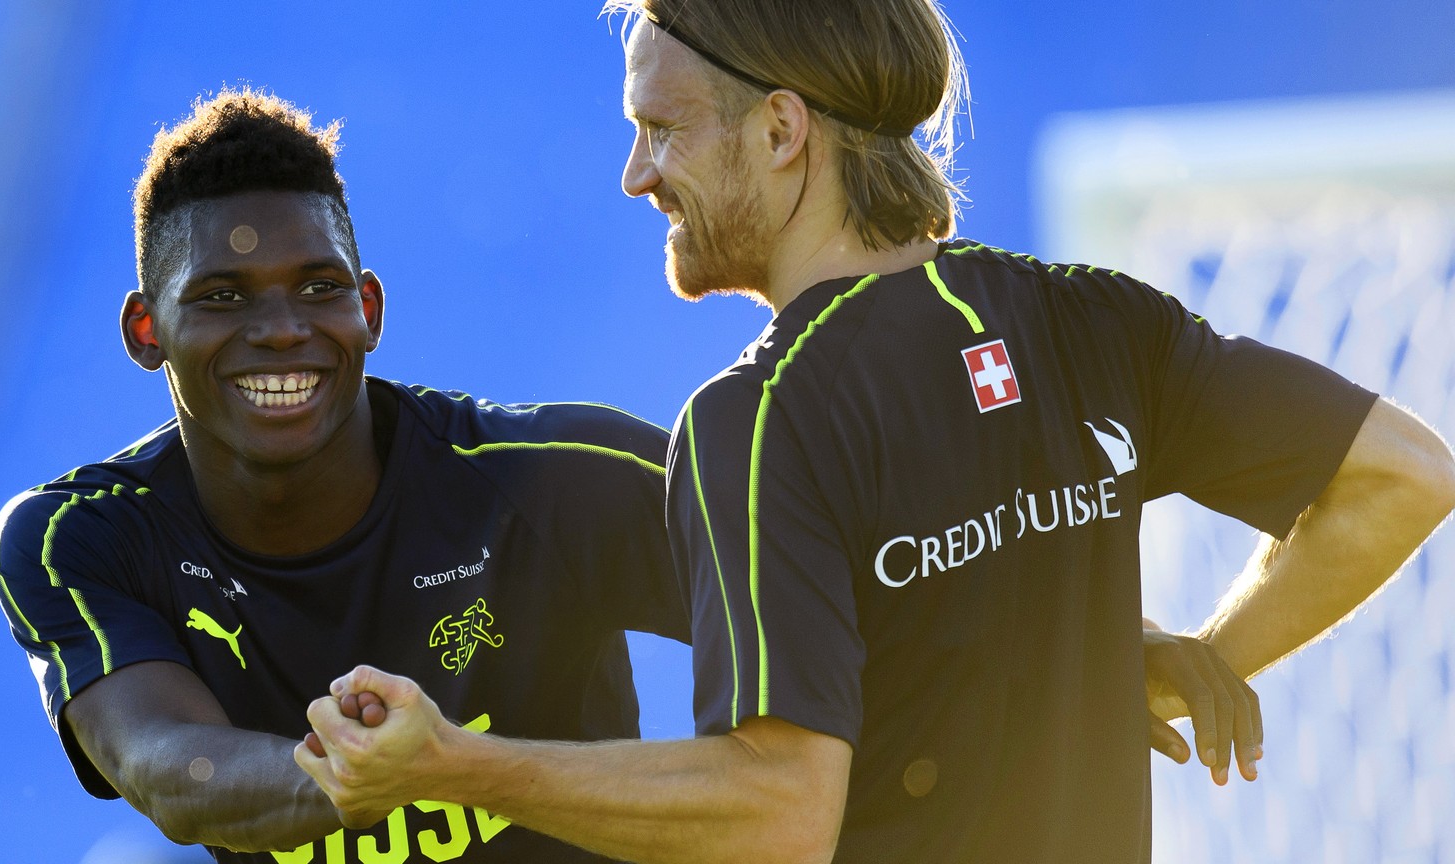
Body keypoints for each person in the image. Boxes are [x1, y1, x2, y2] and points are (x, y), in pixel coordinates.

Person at [296, 2, 1455, 864]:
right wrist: (1178, 664)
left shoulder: (757, 420)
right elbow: (1403, 477)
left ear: (783, 130)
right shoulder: (1095, 317)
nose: (634, 174)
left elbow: (778, 810)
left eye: (660, 128)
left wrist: (454, 765)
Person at [0, 87, 689, 863]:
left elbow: (833, 641)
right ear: (147, 331)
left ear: (370, 311)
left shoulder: (560, 476)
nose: (284, 330)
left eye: (320, 288)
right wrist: (361, 773)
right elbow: (164, 766)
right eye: (222, 296)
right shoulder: (79, 536)